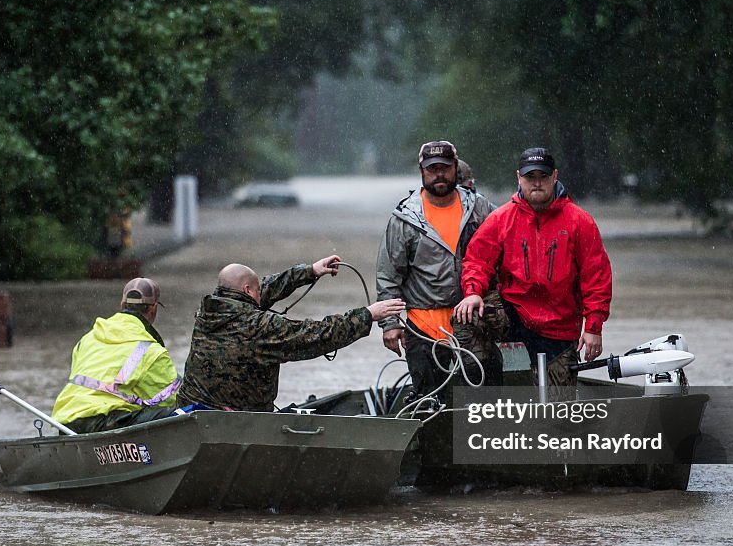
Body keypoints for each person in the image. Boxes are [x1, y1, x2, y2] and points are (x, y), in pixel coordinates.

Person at [454, 147, 612, 386]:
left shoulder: (580, 222)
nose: (536, 183)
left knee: (559, 412)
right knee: (466, 317)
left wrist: (593, 327)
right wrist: (473, 292)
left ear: (555, 176)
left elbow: (597, 277)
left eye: (543, 177)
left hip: (560, 323)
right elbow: (476, 260)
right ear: (519, 177)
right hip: (514, 311)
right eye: (530, 177)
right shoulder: (501, 218)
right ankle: (486, 393)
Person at [178, 256, 405, 412]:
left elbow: (262, 289)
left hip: (193, 411)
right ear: (247, 291)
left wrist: (309, 272)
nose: (260, 294)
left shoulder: (208, 311)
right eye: (255, 290)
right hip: (235, 422)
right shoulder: (259, 327)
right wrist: (367, 314)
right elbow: (316, 335)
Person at [376, 140, 500, 397]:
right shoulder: (405, 219)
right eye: (432, 169)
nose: (439, 174)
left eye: (445, 167)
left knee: (486, 404)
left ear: (455, 168)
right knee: (431, 408)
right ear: (422, 171)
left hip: (475, 324)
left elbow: (505, 259)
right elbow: (389, 276)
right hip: (424, 328)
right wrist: (390, 324)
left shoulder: (480, 209)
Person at [52, 277, 182, 433]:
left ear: (122, 304)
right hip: (105, 423)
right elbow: (173, 399)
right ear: (154, 309)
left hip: (67, 422)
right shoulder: (151, 350)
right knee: (181, 414)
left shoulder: (88, 338)